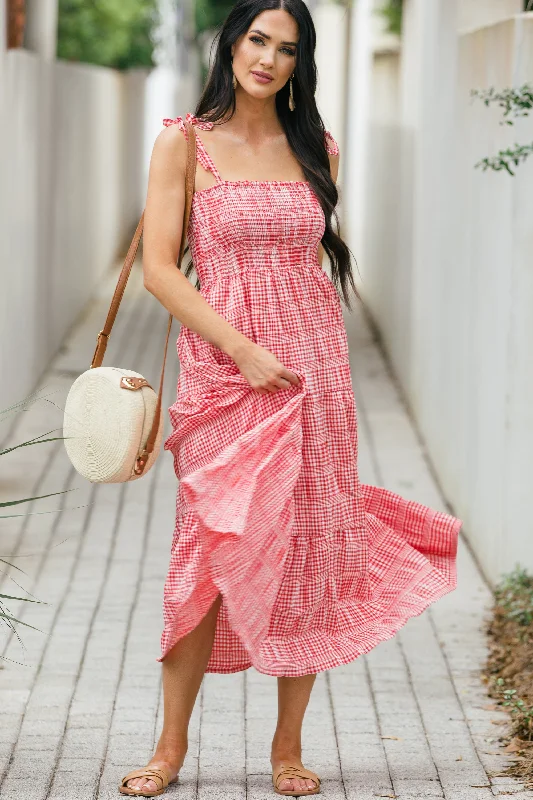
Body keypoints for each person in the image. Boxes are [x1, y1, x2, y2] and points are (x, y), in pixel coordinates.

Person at [119, 0, 463, 796]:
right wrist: (241, 348)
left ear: (299, 62)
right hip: (224, 372)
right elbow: (160, 270)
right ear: (232, 46)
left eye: (286, 48)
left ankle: (286, 746)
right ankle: (169, 749)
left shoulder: (317, 148)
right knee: (206, 552)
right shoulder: (183, 142)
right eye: (257, 41)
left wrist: (289, 355)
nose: (268, 59)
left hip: (311, 372)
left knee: (305, 547)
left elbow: (303, 267)